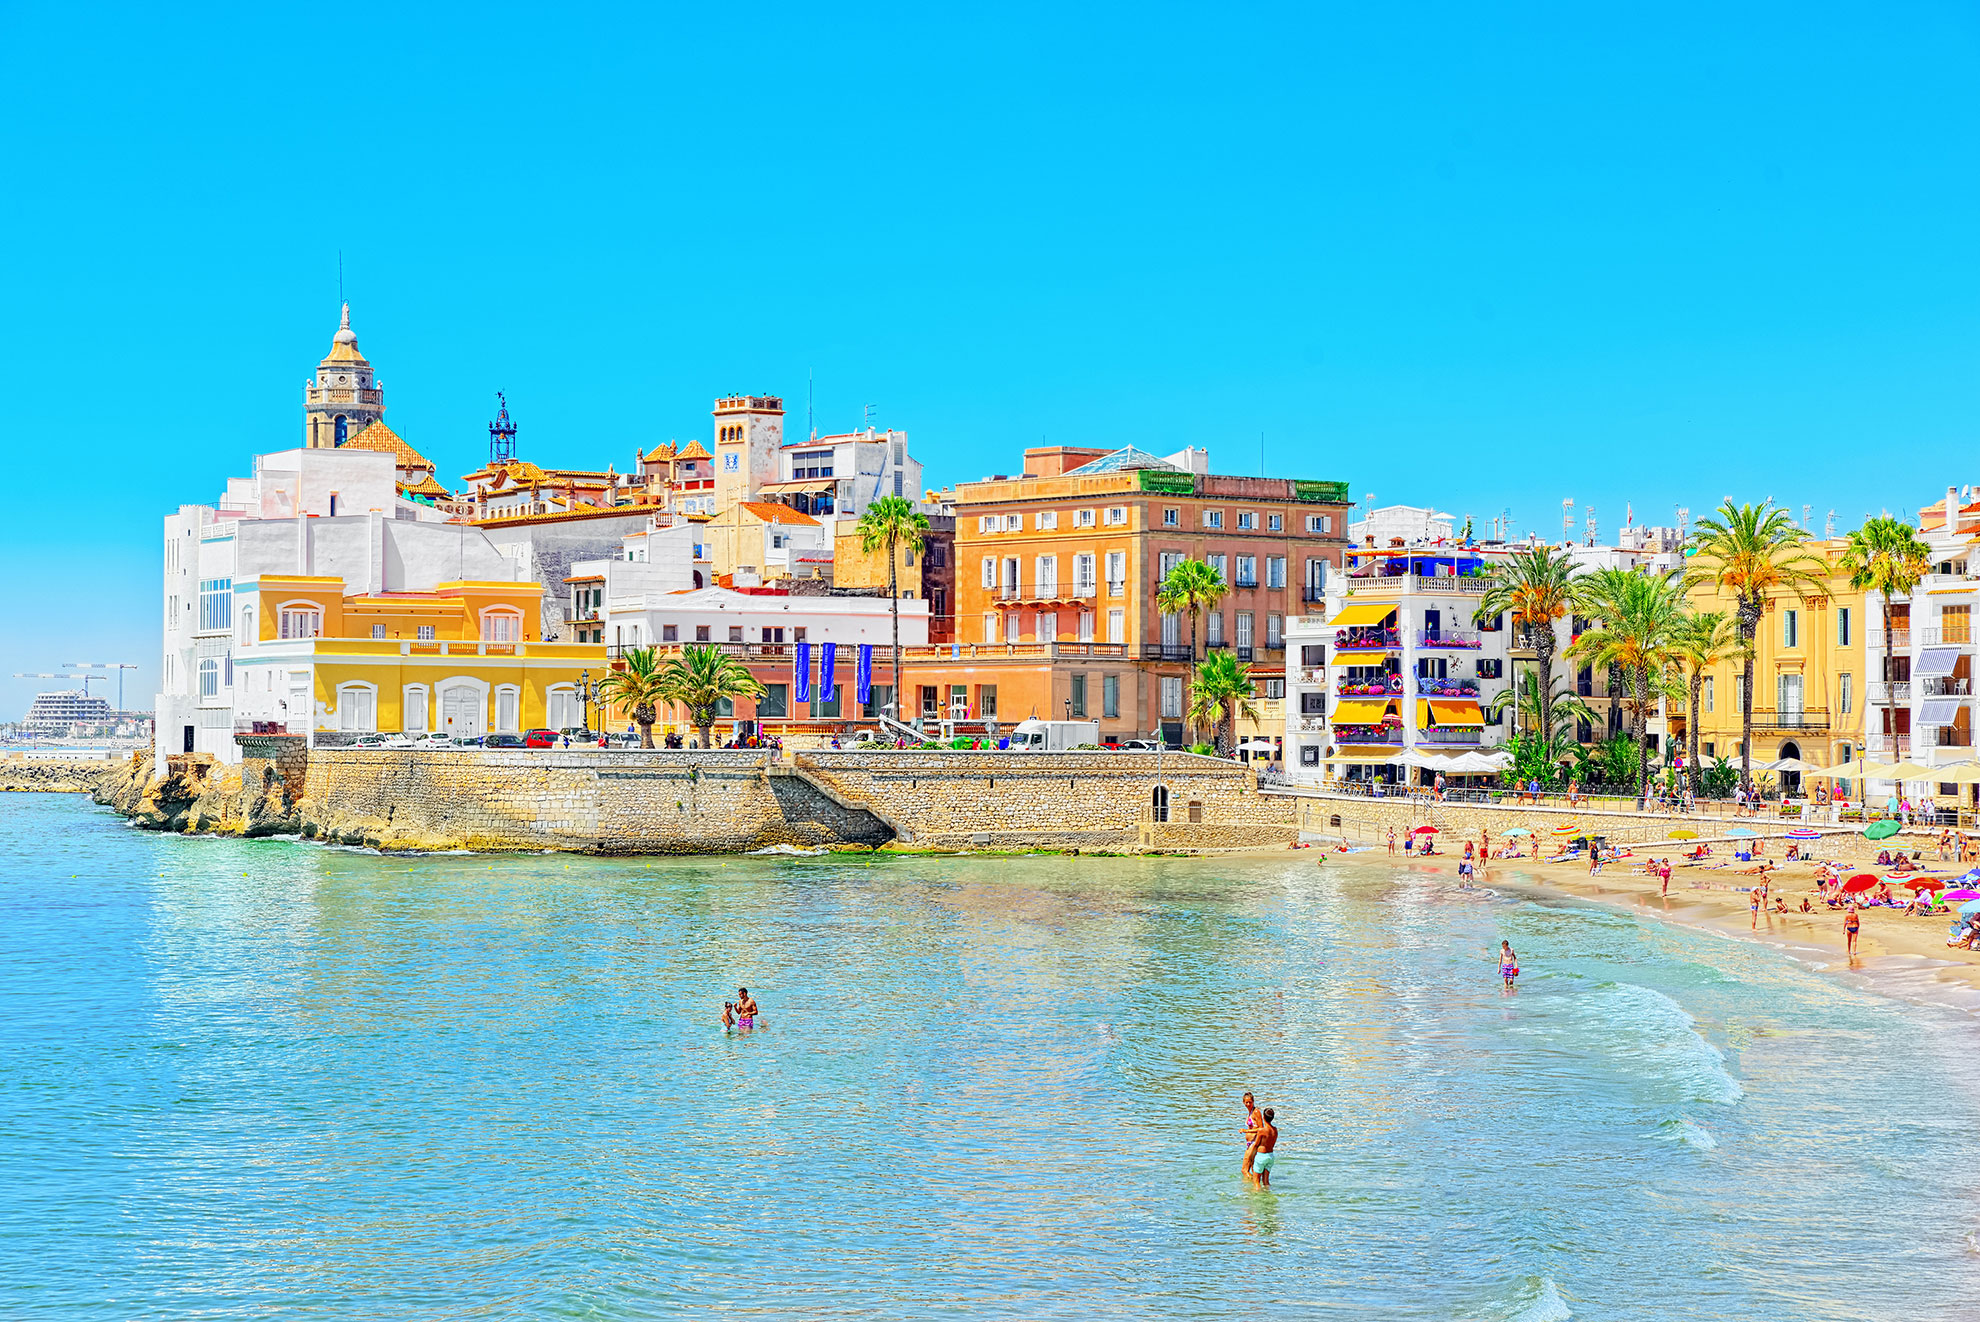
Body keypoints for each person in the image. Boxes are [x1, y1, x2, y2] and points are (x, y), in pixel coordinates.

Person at [1246, 1108, 1279, 1187]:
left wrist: (1250, 1157)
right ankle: (1268, 1196)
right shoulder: (1275, 1130)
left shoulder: (1262, 1130)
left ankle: (1256, 1197)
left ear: (1263, 1117)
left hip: (1261, 1156)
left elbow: (1256, 1144)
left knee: (1256, 1181)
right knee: (1266, 1182)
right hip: (1270, 1156)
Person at [1240, 1092, 1264, 1177]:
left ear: (1253, 1101)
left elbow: (1261, 1129)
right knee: (1253, 1169)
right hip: (1250, 1143)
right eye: (1246, 1102)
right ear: (1243, 1102)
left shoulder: (1256, 1112)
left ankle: (1251, 1186)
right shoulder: (1250, 1112)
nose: (1248, 1104)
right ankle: (1254, 1187)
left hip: (1254, 1143)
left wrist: (1246, 1131)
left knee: (1244, 1170)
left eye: (1250, 1102)